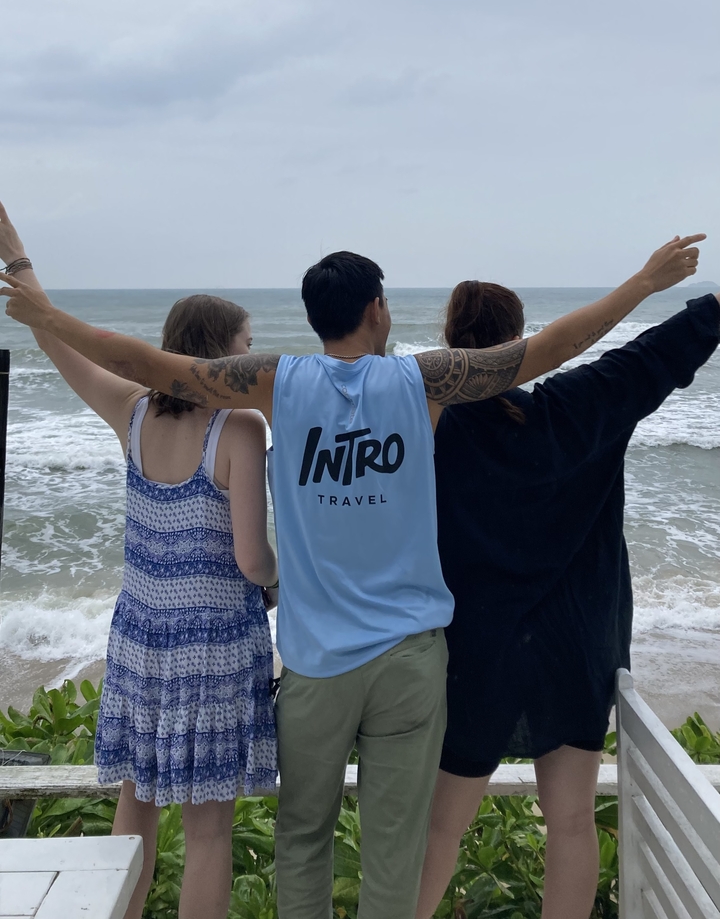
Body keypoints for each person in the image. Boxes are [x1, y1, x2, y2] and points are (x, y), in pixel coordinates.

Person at [1, 232, 704, 919]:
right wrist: (644, 283)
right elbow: (551, 351)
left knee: (304, 838)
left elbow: (149, 365)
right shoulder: (422, 382)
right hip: (409, 663)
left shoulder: (274, 384)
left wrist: (51, 319)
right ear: (376, 310)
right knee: (395, 848)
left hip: (317, 664)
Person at [0, 205, 278, 919]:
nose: (252, 358)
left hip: (140, 646)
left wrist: (21, 262)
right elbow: (251, 560)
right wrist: (280, 585)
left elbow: (68, 351)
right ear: (219, 354)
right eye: (246, 345)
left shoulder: (131, 411)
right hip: (214, 651)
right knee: (210, 834)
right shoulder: (241, 426)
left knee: (138, 809)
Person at [415, 279, 720, 919]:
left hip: (478, 650)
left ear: (450, 343)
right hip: (577, 645)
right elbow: (655, 354)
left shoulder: (430, 423)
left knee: (440, 829)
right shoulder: (580, 406)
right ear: (524, 341)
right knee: (573, 822)